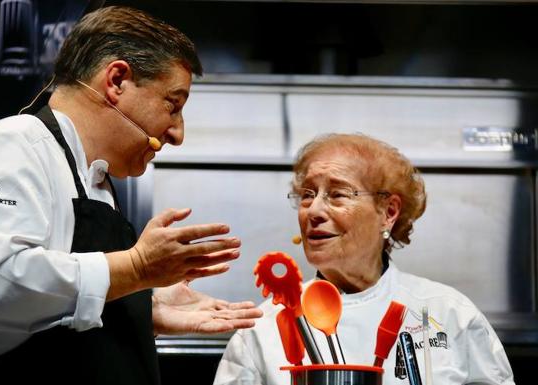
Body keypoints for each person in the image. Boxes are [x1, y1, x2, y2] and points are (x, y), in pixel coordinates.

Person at [0, 6, 262, 385]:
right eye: (172, 105)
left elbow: (64, 316)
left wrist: (140, 306)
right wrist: (136, 269)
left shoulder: (100, 183)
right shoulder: (8, 147)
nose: (176, 134)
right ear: (117, 80)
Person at [213, 133, 514, 385]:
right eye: (307, 194)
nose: (313, 211)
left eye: (337, 194)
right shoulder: (262, 329)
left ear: (388, 212)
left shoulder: (449, 314)